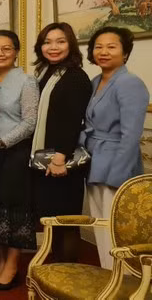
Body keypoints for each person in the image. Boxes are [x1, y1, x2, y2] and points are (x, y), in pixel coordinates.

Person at [81, 26, 149, 269]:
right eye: (98, 47)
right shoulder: (95, 81)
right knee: (100, 225)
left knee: (117, 229)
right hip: (95, 160)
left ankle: (125, 280)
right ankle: (108, 276)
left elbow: (131, 135)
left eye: (111, 47)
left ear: (125, 53)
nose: (104, 52)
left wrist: (118, 175)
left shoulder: (130, 83)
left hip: (116, 164)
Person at [0, 30, 39, 290]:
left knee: (15, 211)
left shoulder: (27, 81)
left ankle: (12, 265)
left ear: (16, 52)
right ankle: (0, 261)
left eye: (6, 48)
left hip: (14, 154)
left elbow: (30, 122)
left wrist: (2, 142)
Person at [30, 22, 92, 263]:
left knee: (66, 222)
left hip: (62, 161)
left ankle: (69, 271)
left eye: (60, 41)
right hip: (45, 158)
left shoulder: (76, 77)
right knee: (51, 220)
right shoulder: (46, 73)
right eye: (47, 42)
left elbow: (72, 121)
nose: (53, 47)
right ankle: (55, 270)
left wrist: (59, 159)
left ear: (71, 45)